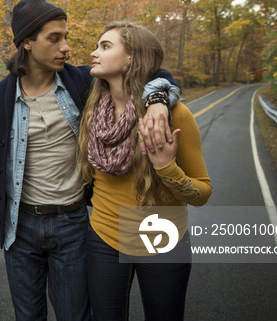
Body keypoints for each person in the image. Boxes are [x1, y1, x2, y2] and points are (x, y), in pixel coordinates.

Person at [0, 0, 180, 321]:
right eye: (55, 38)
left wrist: (160, 97)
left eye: (66, 37)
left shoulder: (81, 82)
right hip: (18, 228)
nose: (65, 47)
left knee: (75, 316)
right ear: (27, 43)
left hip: (73, 225)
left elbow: (148, 67)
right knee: (28, 317)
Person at [78, 22, 212, 321]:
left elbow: (202, 192)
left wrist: (166, 166)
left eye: (105, 46)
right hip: (104, 239)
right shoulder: (92, 108)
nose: (93, 52)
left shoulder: (173, 114)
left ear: (131, 58)